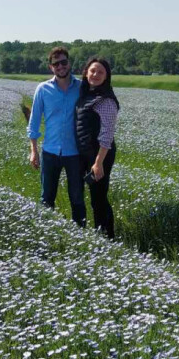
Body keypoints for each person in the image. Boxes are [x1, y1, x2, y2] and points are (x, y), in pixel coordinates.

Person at [28, 47, 86, 228]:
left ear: (69, 63)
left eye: (64, 62)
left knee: (77, 197)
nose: (61, 66)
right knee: (47, 198)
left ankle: (81, 237)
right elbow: (34, 122)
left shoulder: (81, 87)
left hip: (75, 152)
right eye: (56, 64)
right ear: (50, 67)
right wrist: (33, 151)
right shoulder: (43, 89)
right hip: (50, 152)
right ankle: (47, 234)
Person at [75, 58, 119, 239]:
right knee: (95, 196)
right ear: (86, 72)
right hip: (87, 153)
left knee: (98, 198)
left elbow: (107, 135)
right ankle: (102, 235)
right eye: (93, 71)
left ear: (107, 76)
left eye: (101, 72)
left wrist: (98, 163)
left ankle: (106, 238)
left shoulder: (106, 100)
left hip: (100, 156)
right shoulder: (87, 93)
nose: (96, 75)